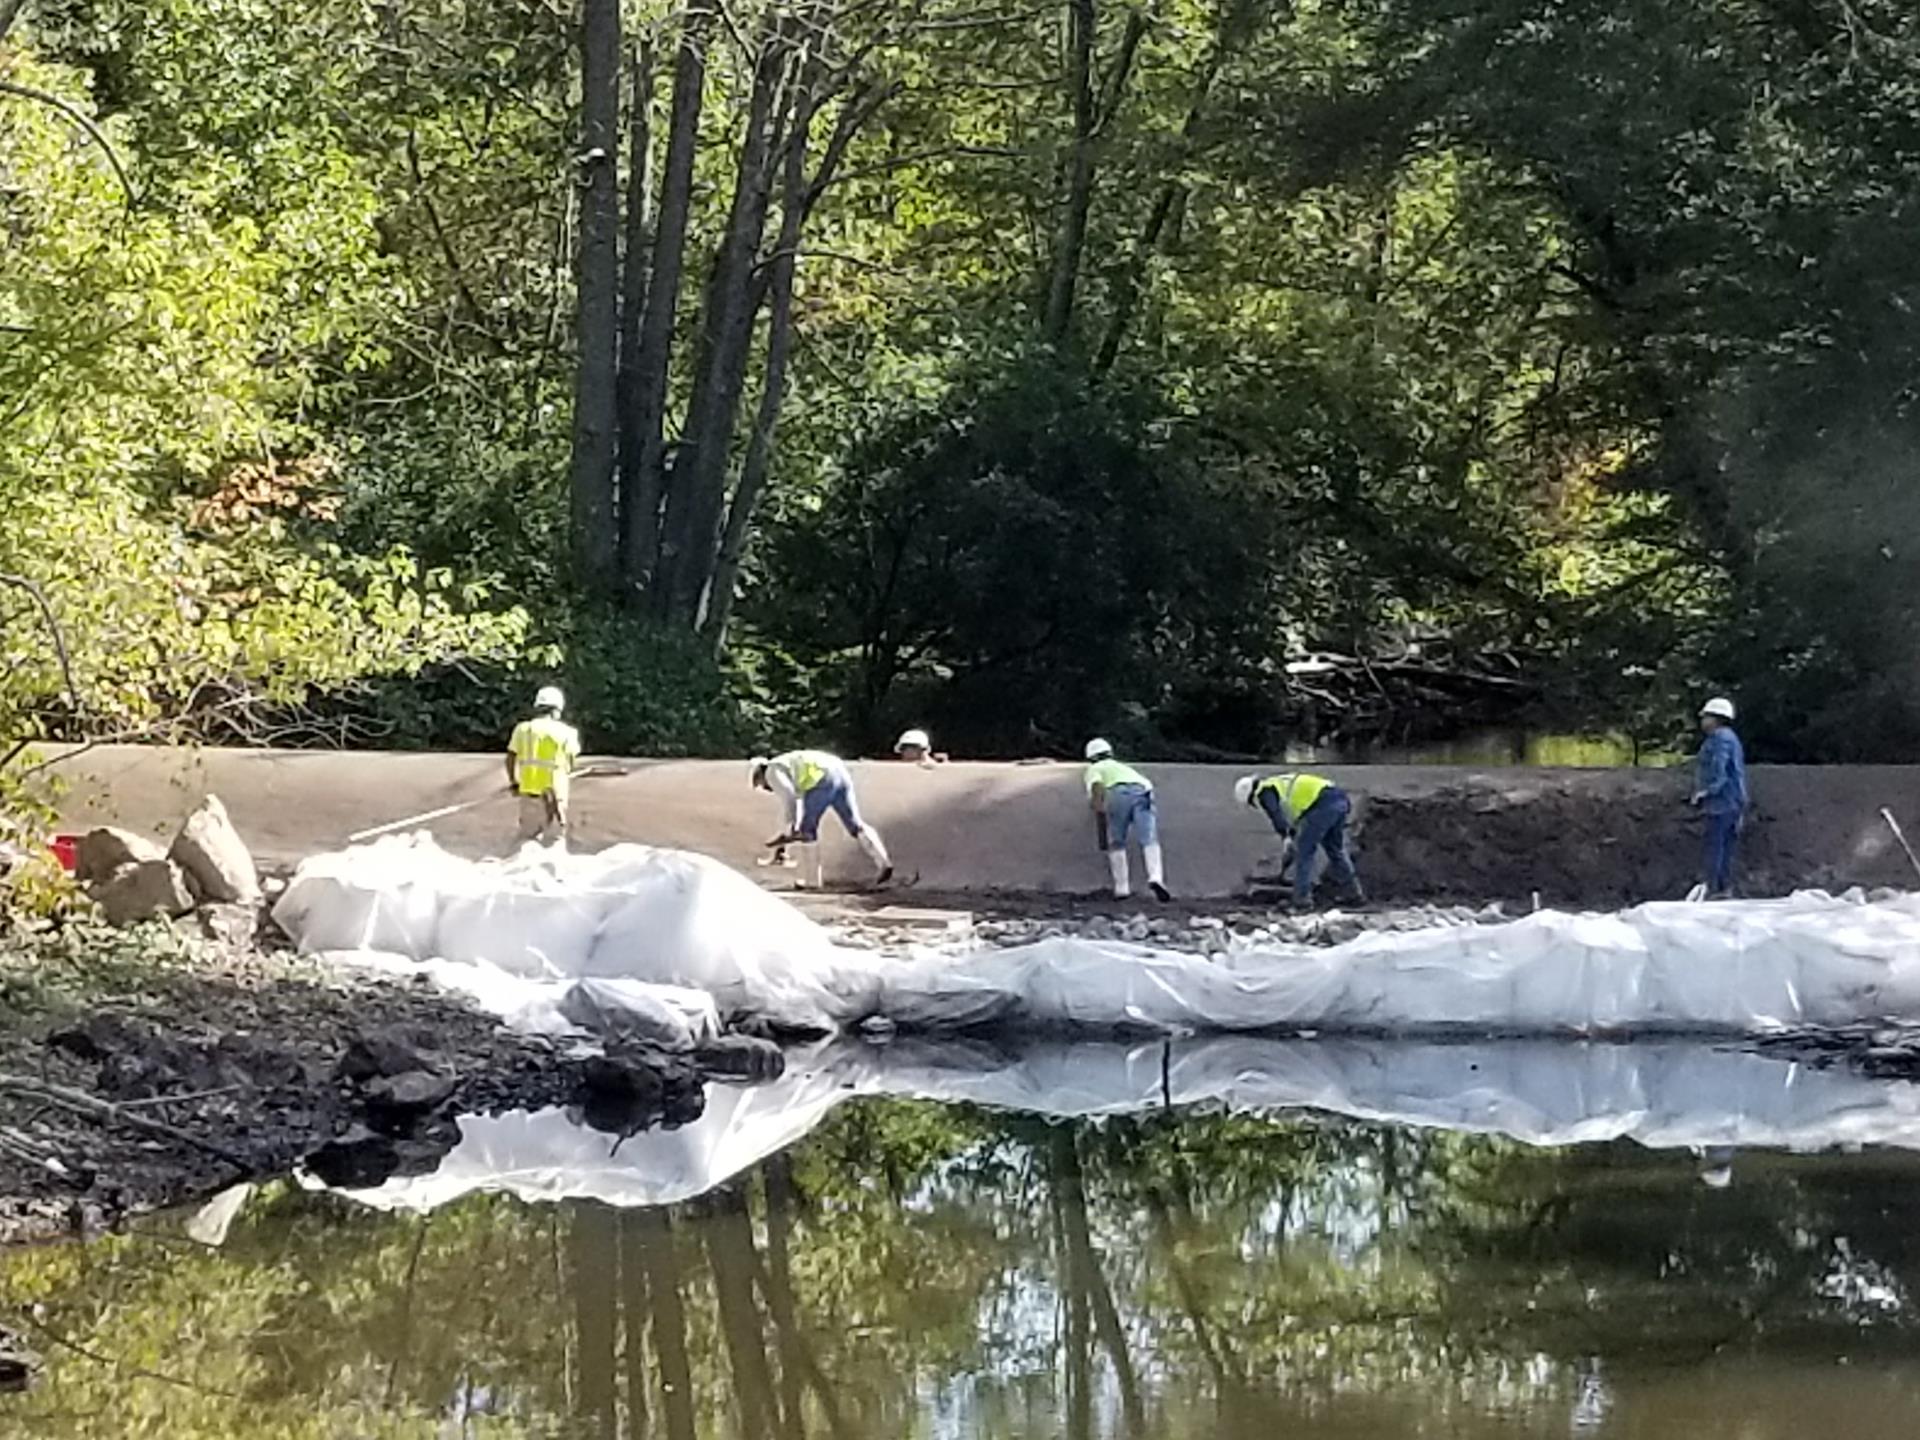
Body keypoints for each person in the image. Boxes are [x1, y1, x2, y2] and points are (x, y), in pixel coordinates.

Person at [751, 750, 892, 888]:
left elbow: (790, 798)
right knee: (855, 824)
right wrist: (783, 844)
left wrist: (792, 828)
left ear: (759, 774)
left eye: (762, 785)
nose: (767, 788)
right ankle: (883, 862)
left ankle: (812, 881)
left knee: (807, 831)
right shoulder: (788, 764)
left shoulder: (772, 771)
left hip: (821, 780)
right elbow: (795, 804)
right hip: (840, 772)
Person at [1233, 771, 1365, 909]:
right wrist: (1292, 834)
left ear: (1250, 795)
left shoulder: (1264, 791)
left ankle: (1302, 900)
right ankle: (1354, 895)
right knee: (1335, 850)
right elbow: (1299, 812)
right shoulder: (1277, 783)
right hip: (1339, 800)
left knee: (1304, 852)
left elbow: (1275, 814)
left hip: (1322, 804)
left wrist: (1286, 837)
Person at [1083, 739, 1169, 901]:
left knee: (1117, 841)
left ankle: (1122, 887)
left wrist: (1099, 812)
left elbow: (1097, 788)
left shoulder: (1094, 768)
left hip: (1118, 793)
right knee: (1149, 838)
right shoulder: (1123, 767)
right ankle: (1156, 877)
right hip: (1144, 790)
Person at [506, 685, 580, 845]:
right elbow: (571, 761)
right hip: (555, 795)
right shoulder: (567, 732)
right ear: (557, 709)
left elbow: (511, 757)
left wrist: (514, 782)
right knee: (554, 843)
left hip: (528, 793)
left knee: (526, 842)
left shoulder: (522, 729)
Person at [1691, 695, 1748, 898]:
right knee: (1724, 847)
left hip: (1722, 802)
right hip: (1733, 801)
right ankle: (1722, 888)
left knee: (1716, 846)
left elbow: (1719, 770)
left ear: (1715, 718)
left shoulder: (1719, 740)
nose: (1702, 721)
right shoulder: (1730, 738)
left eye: (1706, 716)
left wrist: (1704, 792)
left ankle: (1714, 888)